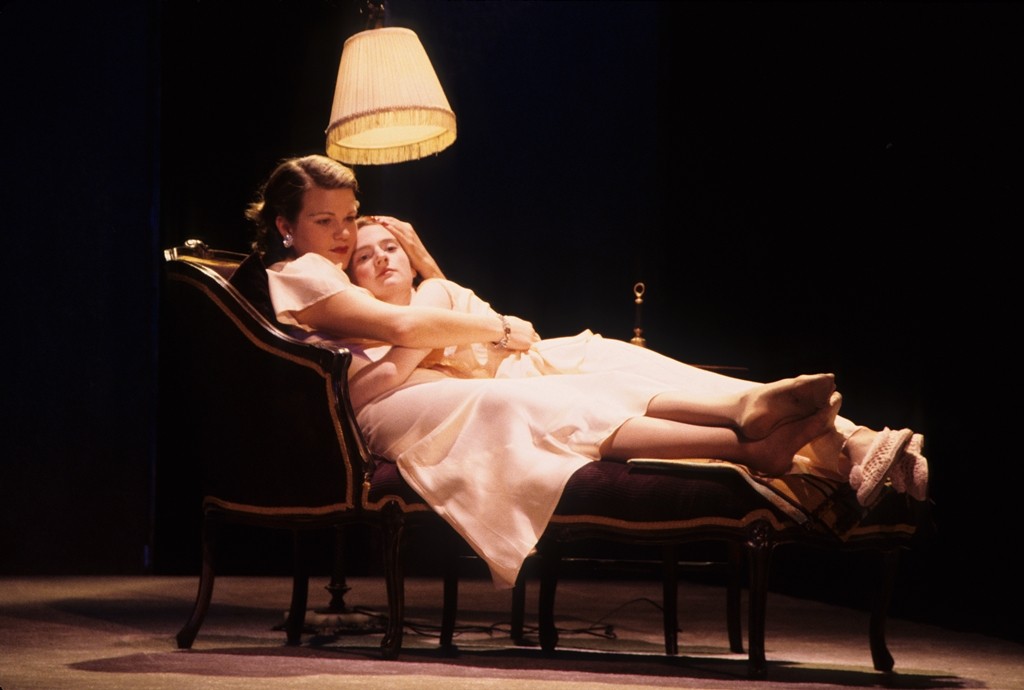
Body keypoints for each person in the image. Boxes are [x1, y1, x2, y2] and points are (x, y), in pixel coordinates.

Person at [246, 154, 929, 589]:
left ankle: (843, 436)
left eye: (351, 219)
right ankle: (764, 437)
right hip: (427, 401)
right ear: (285, 226)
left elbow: (426, 322)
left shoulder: (347, 274)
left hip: (456, 379)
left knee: (612, 359)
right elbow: (398, 342)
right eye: (326, 221)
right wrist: (487, 324)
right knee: (562, 394)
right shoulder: (303, 273)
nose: (345, 236)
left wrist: (435, 285)